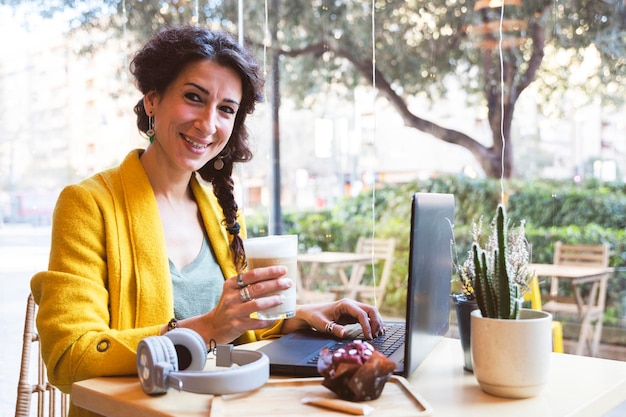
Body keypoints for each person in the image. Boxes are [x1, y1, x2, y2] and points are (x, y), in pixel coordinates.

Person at [30, 25, 384, 416]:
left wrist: (298, 318)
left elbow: (236, 327)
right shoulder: (89, 205)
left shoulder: (221, 214)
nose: (208, 123)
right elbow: (68, 357)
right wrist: (207, 329)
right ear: (152, 100)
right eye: (193, 98)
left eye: (226, 109)